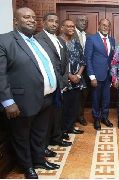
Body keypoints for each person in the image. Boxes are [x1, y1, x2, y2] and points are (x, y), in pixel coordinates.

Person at [0, 7, 60, 179]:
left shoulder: (39, 42)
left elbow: (48, 67)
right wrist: (7, 101)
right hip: (21, 101)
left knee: (40, 134)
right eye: (26, 17)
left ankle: (39, 160)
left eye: (33, 17)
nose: (32, 20)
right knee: (22, 137)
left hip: (46, 99)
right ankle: (27, 167)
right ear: (15, 21)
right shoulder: (2, 41)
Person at [35, 12, 72, 158]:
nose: (54, 24)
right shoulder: (37, 39)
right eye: (51, 21)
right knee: (45, 118)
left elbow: (65, 62)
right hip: (48, 83)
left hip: (60, 83)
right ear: (43, 23)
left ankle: (56, 138)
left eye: (56, 22)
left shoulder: (60, 40)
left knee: (57, 112)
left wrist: (63, 81)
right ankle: (43, 147)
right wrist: (58, 81)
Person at [85, 19, 115, 130]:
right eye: (103, 25)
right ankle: (96, 119)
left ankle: (105, 117)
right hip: (96, 76)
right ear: (98, 26)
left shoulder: (112, 40)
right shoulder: (91, 39)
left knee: (106, 98)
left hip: (108, 75)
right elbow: (88, 59)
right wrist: (92, 76)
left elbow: (111, 59)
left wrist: (113, 74)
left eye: (107, 26)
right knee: (96, 98)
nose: (105, 27)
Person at [60, 19, 86, 136]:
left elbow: (83, 61)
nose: (71, 28)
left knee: (75, 106)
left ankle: (71, 127)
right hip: (65, 81)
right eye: (68, 26)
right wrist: (70, 76)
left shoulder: (76, 42)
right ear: (62, 28)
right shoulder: (58, 42)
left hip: (77, 80)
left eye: (73, 27)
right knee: (64, 107)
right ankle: (63, 130)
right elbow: (57, 63)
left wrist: (78, 75)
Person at [73, 15, 92, 126]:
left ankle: (80, 116)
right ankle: (71, 117)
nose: (84, 23)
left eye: (86, 21)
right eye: (81, 20)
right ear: (76, 21)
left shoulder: (90, 36)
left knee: (83, 95)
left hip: (86, 71)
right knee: (72, 95)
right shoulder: (70, 33)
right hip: (73, 71)